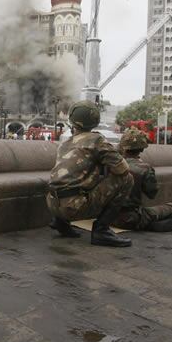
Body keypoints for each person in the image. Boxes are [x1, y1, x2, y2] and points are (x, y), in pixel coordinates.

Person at [46, 100, 134, 247]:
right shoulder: (97, 140)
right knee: (127, 179)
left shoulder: (65, 143)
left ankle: (60, 222)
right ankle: (102, 230)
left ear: (72, 120)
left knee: (72, 180)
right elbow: (123, 169)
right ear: (95, 120)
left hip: (51, 203)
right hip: (74, 207)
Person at [113, 128, 172, 232]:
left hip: (106, 217)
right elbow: (152, 193)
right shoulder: (144, 168)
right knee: (170, 207)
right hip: (130, 219)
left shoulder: (112, 164)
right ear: (142, 149)